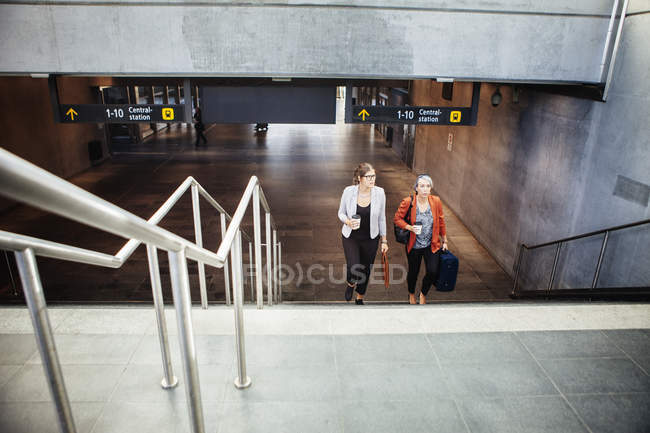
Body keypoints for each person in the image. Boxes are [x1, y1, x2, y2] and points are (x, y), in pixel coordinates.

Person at [338, 163, 389, 304]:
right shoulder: (348, 191)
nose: (372, 179)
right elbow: (341, 213)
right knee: (354, 266)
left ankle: (360, 296)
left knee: (366, 269)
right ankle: (351, 283)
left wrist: (384, 240)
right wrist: (347, 221)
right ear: (360, 178)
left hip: (371, 238)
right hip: (351, 237)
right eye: (368, 177)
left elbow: (382, 217)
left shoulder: (380, 192)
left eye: (374, 176)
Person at [393, 174, 448, 305]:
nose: (425, 189)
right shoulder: (408, 202)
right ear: (416, 188)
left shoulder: (436, 201)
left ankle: (423, 293)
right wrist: (410, 228)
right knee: (413, 272)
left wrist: (444, 240)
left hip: (432, 244)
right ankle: (411, 293)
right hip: (415, 245)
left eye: (428, 186)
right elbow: (397, 219)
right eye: (422, 186)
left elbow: (441, 221)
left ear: (431, 188)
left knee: (433, 271)